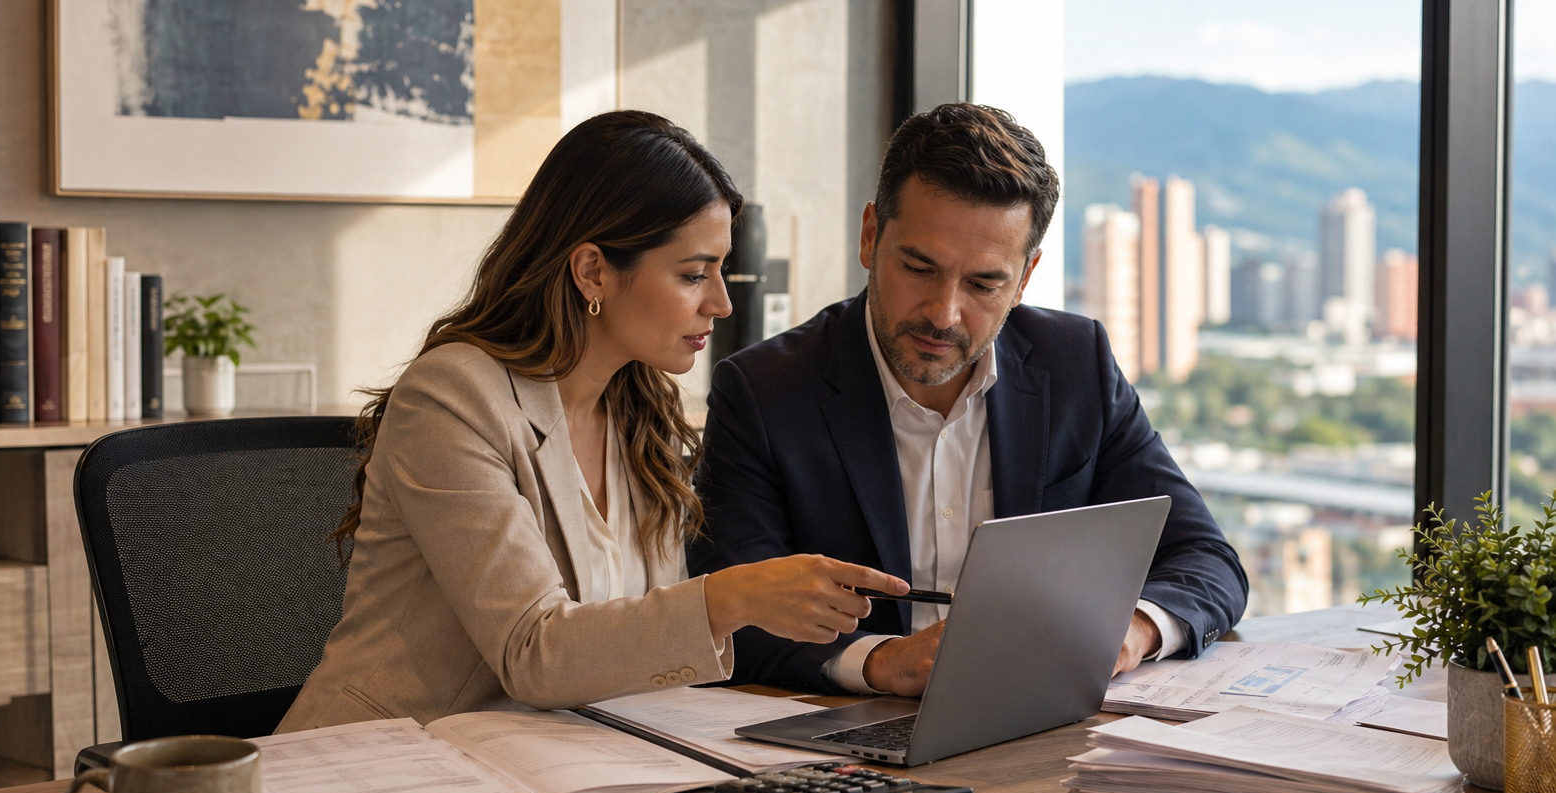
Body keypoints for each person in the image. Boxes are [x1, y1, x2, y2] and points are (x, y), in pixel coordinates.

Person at [278, 111, 908, 732]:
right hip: (388, 769)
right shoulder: (452, 398)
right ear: (592, 271)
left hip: (554, 769)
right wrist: (732, 598)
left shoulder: (643, 412)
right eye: (694, 274)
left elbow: (637, 650)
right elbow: (535, 652)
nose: (721, 302)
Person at [688, 103, 1249, 698]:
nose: (944, 313)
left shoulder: (1074, 362)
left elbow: (1205, 557)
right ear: (871, 236)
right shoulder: (764, 391)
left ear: (1026, 277)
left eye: (984, 284)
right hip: (854, 739)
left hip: (1043, 717)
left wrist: (1130, 630)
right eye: (919, 268)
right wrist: (884, 661)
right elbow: (727, 612)